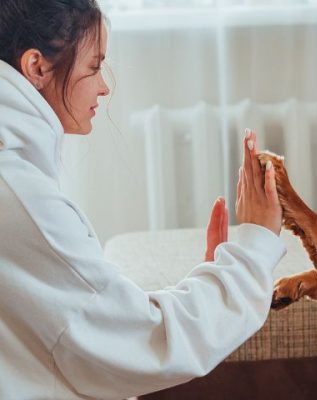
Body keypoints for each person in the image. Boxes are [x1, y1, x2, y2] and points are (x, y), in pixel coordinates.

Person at [0, 1, 285, 399]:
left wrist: (212, 279)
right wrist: (254, 246)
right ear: (37, 67)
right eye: (94, 67)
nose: (104, 86)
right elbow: (145, 342)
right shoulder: (21, 198)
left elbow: (94, 320)